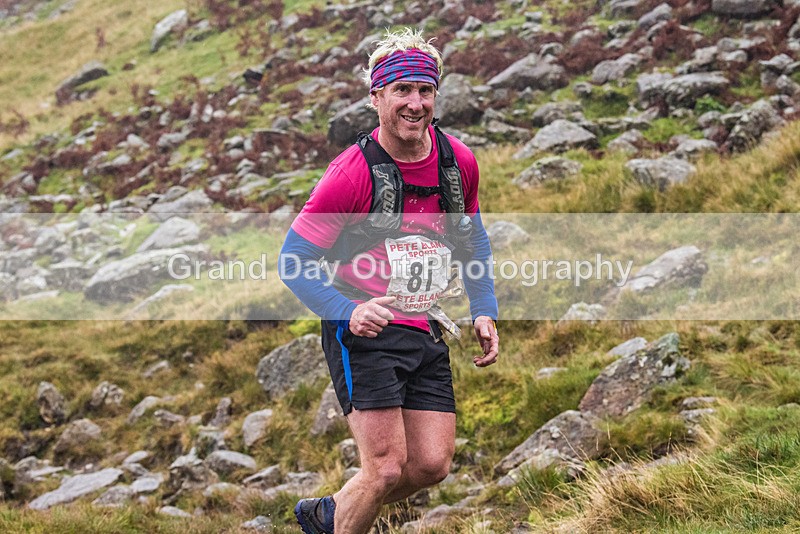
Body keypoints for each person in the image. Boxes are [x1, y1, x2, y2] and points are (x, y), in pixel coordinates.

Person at [279, 27, 499, 534]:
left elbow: (473, 238)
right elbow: (293, 260)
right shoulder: (351, 172)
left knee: (430, 466)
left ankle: (331, 514)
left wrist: (483, 306)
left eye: (425, 91)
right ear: (376, 95)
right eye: (402, 90)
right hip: (364, 331)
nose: (415, 103)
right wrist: (348, 311)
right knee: (383, 468)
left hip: (425, 326)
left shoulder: (456, 162)